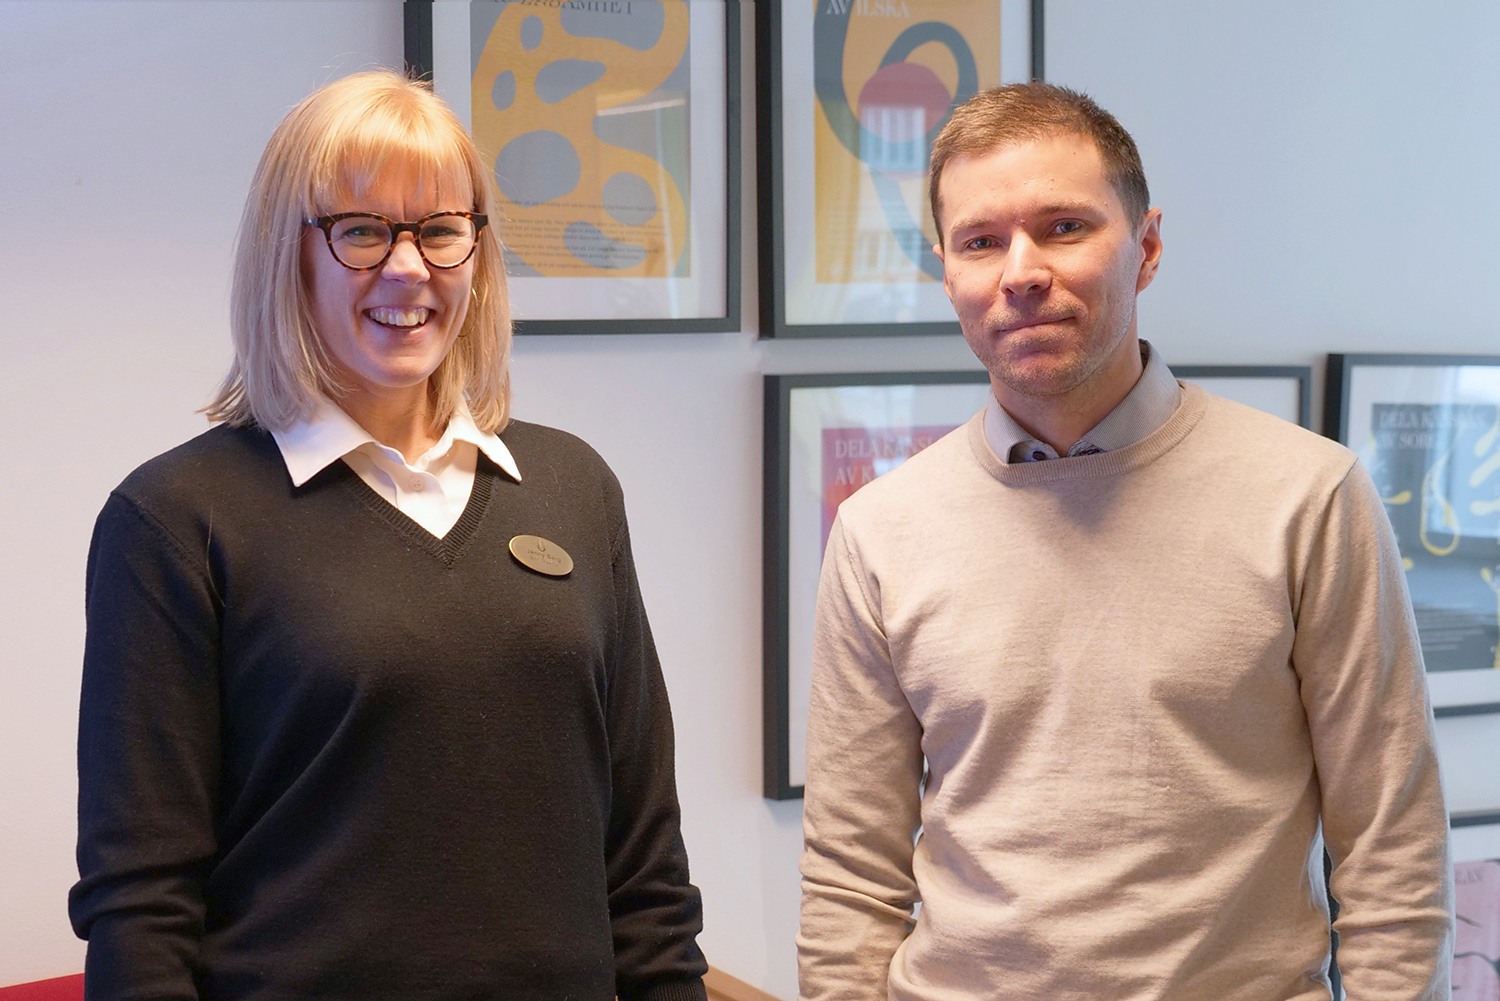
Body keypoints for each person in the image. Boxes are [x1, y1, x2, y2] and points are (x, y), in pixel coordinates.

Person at [797, 82, 1453, 1001]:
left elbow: (1393, 849)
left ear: (1145, 248)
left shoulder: (1309, 496)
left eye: (1063, 227)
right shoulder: (880, 528)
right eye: (981, 241)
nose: (1021, 271)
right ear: (946, 271)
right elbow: (849, 876)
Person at [69, 69, 708, 1001]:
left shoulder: (574, 487)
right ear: (287, 253)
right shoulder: (174, 519)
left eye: (441, 230)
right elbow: (141, 907)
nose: (408, 268)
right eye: (363, 231)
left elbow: (645, 863)